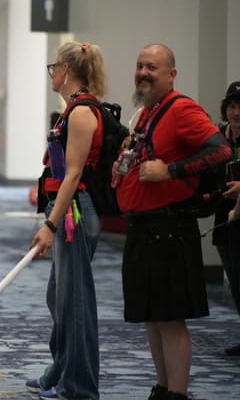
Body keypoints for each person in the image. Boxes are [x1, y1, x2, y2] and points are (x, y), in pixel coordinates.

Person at [115, 44, 231, 400]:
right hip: (143, 228)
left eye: (152, 67)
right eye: (139, 66)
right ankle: (163, 389)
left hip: (169, 230)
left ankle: (177, 394)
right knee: (152, 317)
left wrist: (172, 171)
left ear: (171, 74)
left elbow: (220, 150)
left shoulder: (181, 110)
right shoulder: (148, 113)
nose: (143, 73)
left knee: (170, 319)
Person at [25, 41, 106, 400]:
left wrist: (51, 224)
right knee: (59, 297)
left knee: (75, 305)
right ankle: (59, 371)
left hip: (74, 211)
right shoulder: (72, 110)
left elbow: (73, 176)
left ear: (67, 71)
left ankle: (79, 388)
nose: (52, 74)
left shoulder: (82, 112)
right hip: (69, 207)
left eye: (54, 67)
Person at [212, 81, 240, 356]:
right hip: (224, 216)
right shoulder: (219, 137)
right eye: (232, 105)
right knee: (235, 276)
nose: (236, 112)